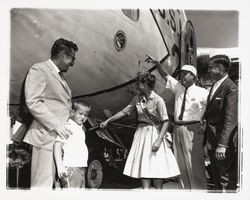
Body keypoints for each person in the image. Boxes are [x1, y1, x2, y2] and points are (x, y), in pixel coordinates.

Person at [100, 72, 180, 189]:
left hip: (155, 133)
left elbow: (165, 121)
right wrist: (108, 121)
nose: (137, 85)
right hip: (141, 134)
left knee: (156, 167)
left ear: (146, 84)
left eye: (139, 83)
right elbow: (124, 111)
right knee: (144, 166)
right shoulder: (137, 98)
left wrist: (159, 140)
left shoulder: (158, 100)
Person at [146, 56, 209, 190]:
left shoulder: (203, 92)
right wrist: (157, 63)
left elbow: (211, 110)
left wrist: (205, 123)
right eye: (181, 74)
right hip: (178, 129)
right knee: (180, 164)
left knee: (194, 163)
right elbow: (165, 75)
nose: (182, 77)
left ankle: (199, 192)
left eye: (185, 74)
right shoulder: (179, 87)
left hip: (193, 129)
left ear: (193, 76)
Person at [23, 38, 78, 188]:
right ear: (62, 54)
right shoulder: (39, 69)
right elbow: (33, 101)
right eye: (71, 58)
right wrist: (57, 125)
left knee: (54, 186)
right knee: (42, 186)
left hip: (57, 140)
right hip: (45, 137)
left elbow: (62, 105)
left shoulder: (60, 76)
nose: (72, 63)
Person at [204, 55, 238, 191]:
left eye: (211, 67)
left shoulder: (230, 88)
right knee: (216, 178)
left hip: (223, 143)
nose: (209, 71)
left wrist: (223, 144)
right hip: (212, 141)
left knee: (225, 179)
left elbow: (231, 119)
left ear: (219, 68)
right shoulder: (215, 85)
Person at [54, 100, 90, 189]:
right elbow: (57, 145)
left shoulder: (80, 129)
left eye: (86, 115)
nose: (83, 117)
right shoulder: (68, 127)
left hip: (81, 168)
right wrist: (60, 166)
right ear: (73, 112)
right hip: (71, 168)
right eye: (80, 114)